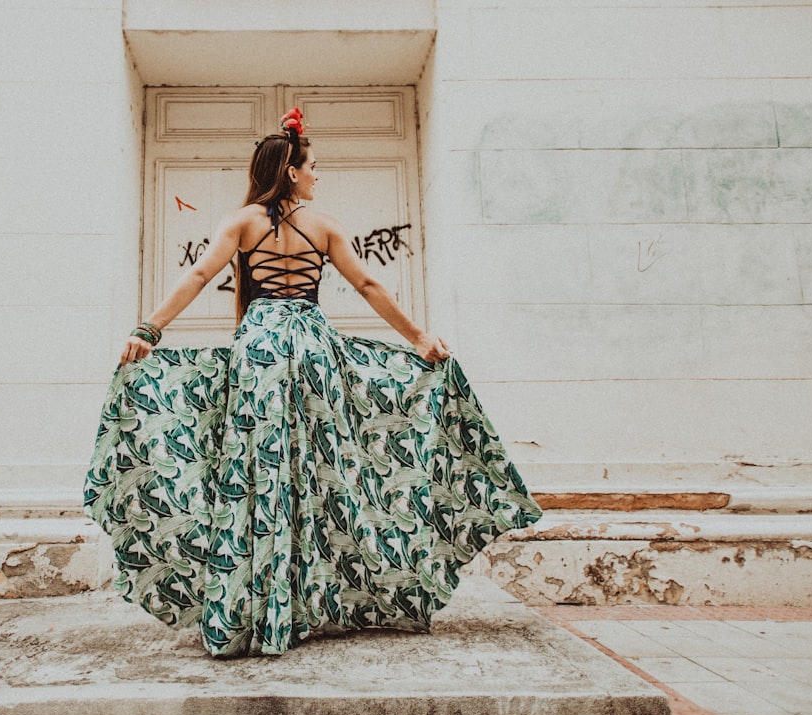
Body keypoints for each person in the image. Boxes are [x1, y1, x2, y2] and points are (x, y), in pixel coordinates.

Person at [85, 108, 541, 658]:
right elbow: (369, 283)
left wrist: (148, 330)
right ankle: (322, 598)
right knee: (323, 471)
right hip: (314, 349)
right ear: (292, 172)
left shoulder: (240, 222)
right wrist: (419, 338)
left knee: (260, 469)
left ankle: (257, 602)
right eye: (313, 166)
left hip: (259, 351)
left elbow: (200, 274)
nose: (319, 175)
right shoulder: (323, 226)